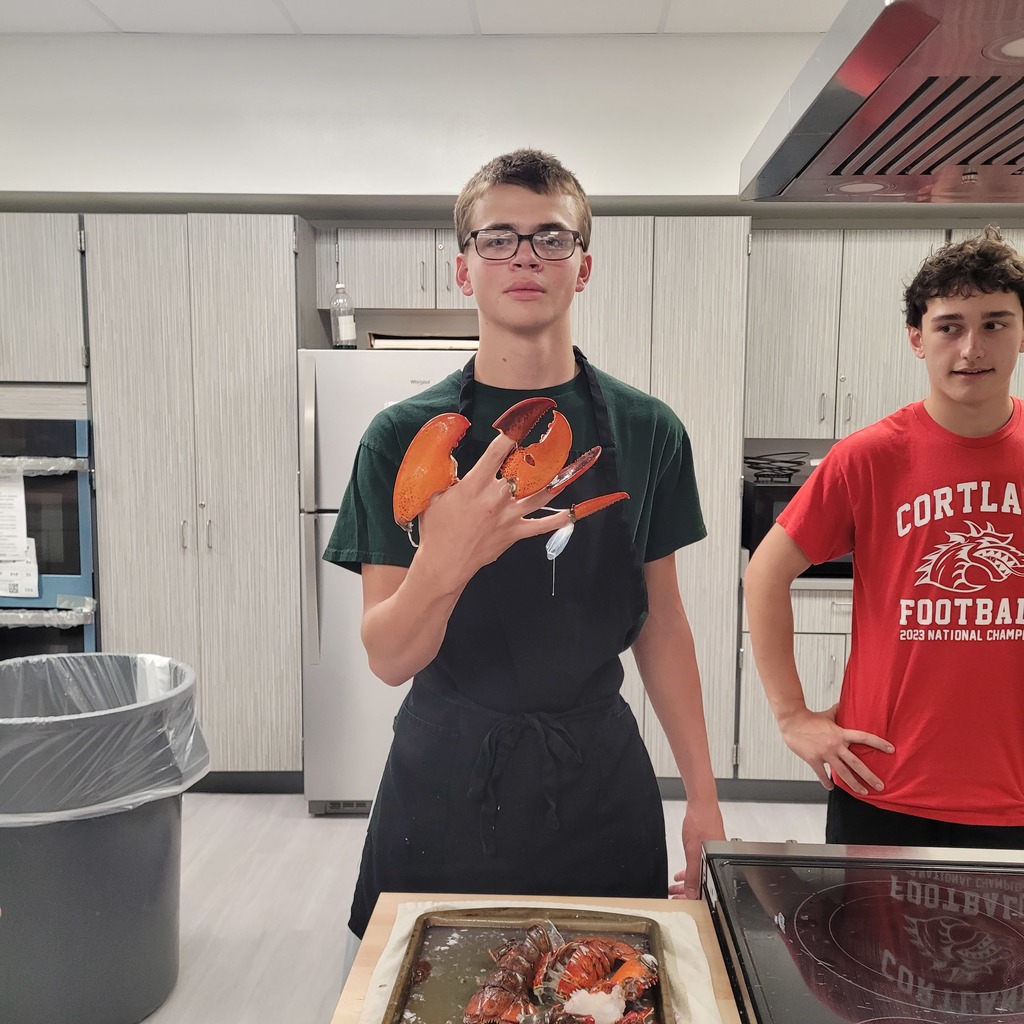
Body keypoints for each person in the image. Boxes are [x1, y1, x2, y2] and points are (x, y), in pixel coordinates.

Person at [323, 148, 725, 940]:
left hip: (600, 777)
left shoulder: (649, 431)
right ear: (462, 269)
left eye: (551, 238)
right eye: (497, 238)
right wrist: (449, 557)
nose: (525, 257)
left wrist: (704, 797)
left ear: (583, 266)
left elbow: (662, 623)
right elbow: (389, 657)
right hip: (444, 776)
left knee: (604, 992)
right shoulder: (402, 438)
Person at [744, 226, 1024, 849]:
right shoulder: (869, 457)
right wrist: (792, 716)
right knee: (868, 950)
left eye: (995, 323)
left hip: (1015, 793)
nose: (971, 347)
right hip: (883, 780)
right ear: (917, 339)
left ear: (1022, 333)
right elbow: (764, 572)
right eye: (950, 325)